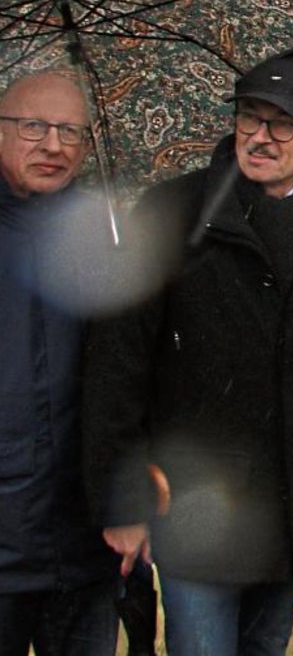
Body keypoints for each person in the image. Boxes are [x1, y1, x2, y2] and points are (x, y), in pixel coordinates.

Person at [83, 57, 293, 656]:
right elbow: (118, 364)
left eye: (283, 124)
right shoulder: (173, 214)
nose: (261, 137)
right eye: (249, 118)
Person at [0, 72, 121, 656]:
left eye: (71, 131)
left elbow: (129, 386)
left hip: (86, 548)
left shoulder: (108, 238)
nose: (53, 145)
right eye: (33, 127)